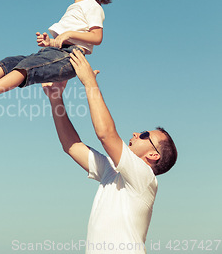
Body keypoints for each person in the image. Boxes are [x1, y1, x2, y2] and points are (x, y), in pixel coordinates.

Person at [42, 50, 178, 253]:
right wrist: (55, 98)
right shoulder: (112, 170)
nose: (135, 133)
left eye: (143, 135)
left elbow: (106, 134)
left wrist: (89, 83)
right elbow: (71, 145)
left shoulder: (145, 178)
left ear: (153, 155)